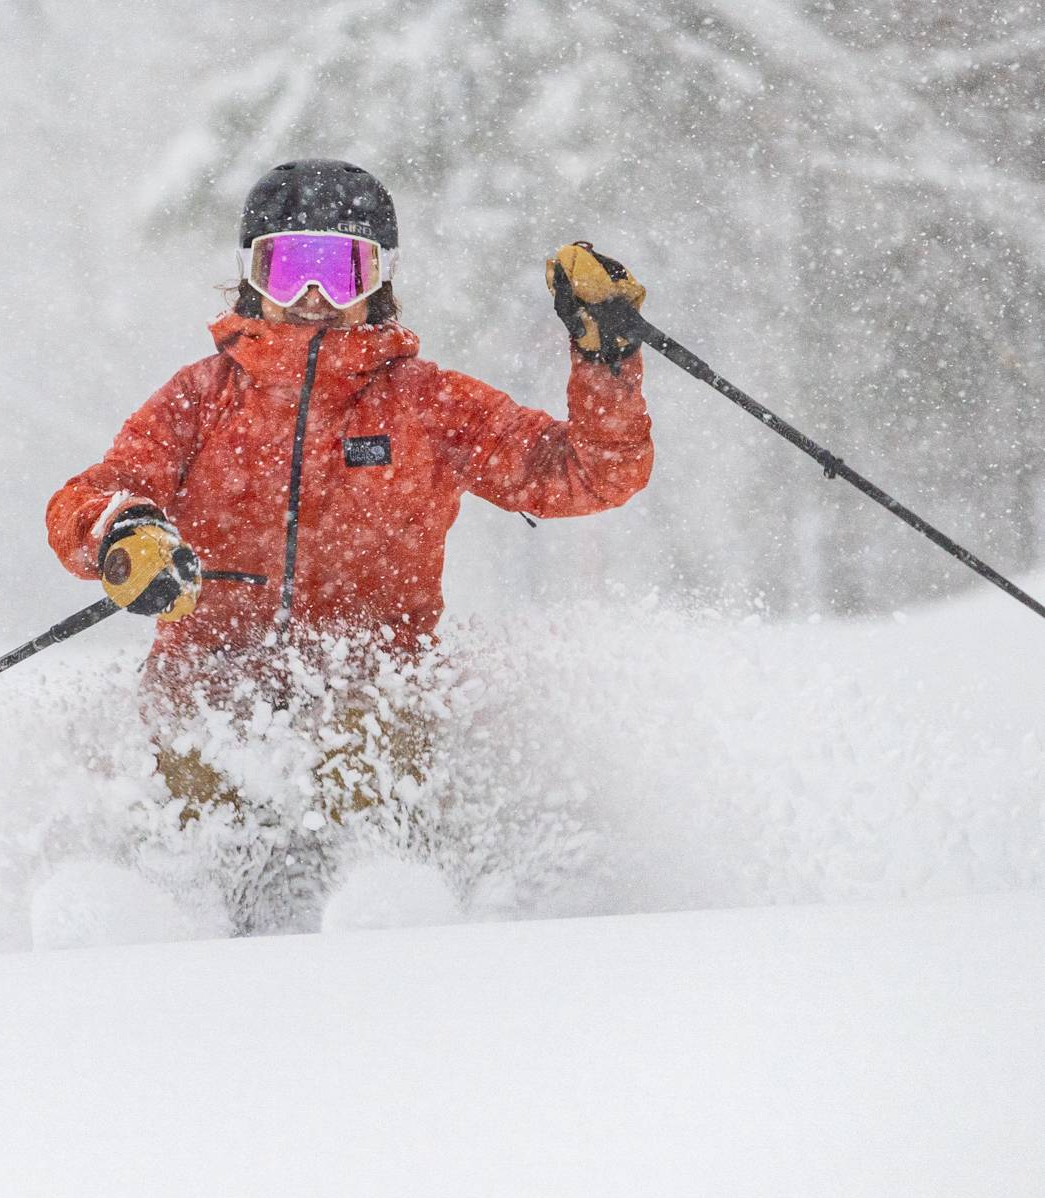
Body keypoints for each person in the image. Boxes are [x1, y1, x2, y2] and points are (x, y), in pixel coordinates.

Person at [45, 158, 654, 932]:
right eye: (290, 265)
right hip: (215, 679)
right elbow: (87, 501)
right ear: (250, 275)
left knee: (366, 729)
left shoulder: (425, 402)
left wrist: (605, 360)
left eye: (340, 269)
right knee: (194, 734)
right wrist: (126, 537)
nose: (312, 295)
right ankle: (174, 911)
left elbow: (587, 473)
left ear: (379, 279)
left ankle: (386, 899)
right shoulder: (201, 399)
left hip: (371, 687)